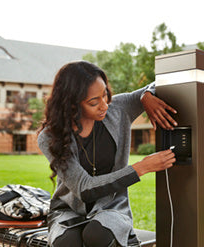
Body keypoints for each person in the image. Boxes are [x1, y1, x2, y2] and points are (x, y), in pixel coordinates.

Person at [37, 61, 177, 247]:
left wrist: (146, 95)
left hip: (111, 208)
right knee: (66, 243)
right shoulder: (49, 137)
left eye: (105, 95)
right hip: (68, 210)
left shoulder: (118, 110)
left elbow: (163, 82)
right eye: (94, 102)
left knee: (97, 235)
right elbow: (84, 189)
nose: (104, 105)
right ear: (71, 104)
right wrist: (141, 168)